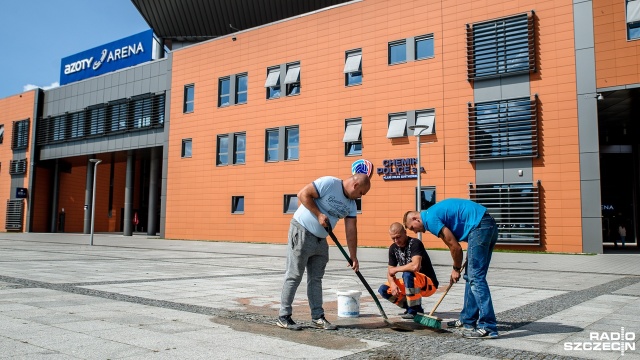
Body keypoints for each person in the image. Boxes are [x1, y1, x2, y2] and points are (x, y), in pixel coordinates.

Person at [277, 173, 371, 331]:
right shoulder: (329, 183)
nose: (360, 197)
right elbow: (303, 194)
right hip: (301, 231)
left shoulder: (352, 205)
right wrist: (319, 214)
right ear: (356, 186)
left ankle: (317, 317)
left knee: (316, 279)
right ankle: (283, 316)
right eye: (361, 193)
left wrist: (353, 255)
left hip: (321, 239)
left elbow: (351, 229)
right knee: (294, 275)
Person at [404, 198, 499, 339]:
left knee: (476, 278)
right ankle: (468, 319)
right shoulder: (432, 213)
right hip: (487, 225)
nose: (416, 231)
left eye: (412, 228)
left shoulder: (430, 218)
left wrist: (456, 268)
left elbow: (455, 246)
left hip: (479, 226)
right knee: (471, 277)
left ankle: (488, 326)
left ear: (415, 218)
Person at [378, 222, 439, 319]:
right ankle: (410, 306)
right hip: (410, 282)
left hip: (428, 284)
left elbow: (415, 266)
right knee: (384, 289)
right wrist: (393, 285)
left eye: (398, 237)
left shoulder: (415, 243)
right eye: (393, 238)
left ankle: (415, 310)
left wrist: (396, 269)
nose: (396, 241)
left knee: (407, 274)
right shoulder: (393, 248)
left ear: (405, 233)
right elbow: (390, 271)